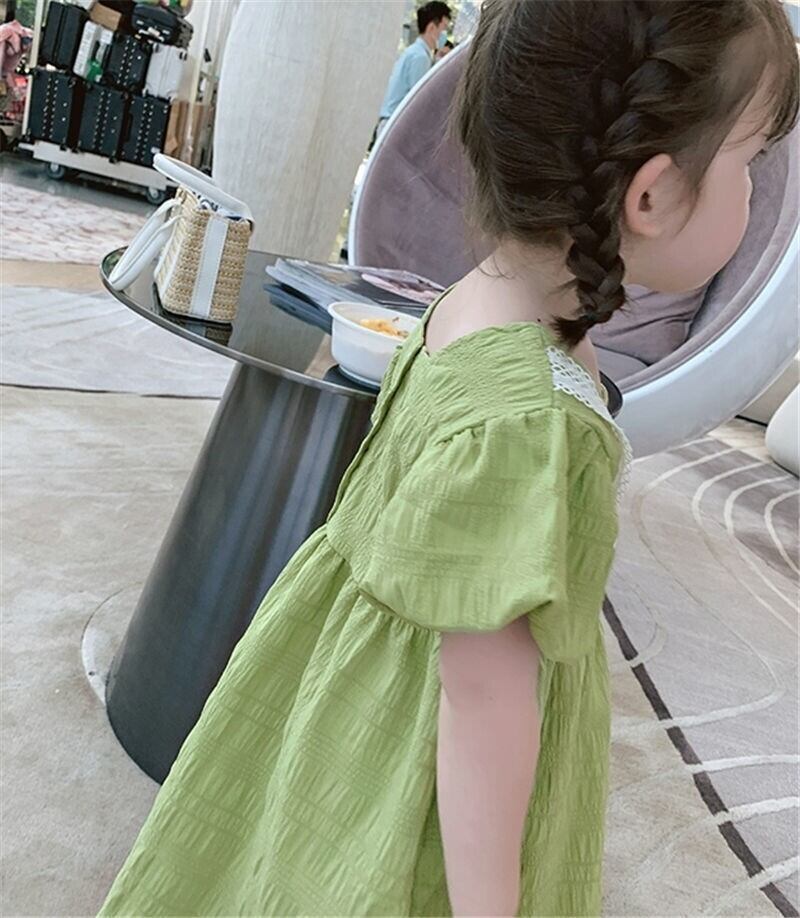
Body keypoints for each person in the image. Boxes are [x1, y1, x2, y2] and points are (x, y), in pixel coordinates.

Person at [97, 1, 797, 915]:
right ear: (653, 195)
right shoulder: (532, 425)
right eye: (749, 162)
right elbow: (484, 698)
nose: (754, 194)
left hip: (351, 683)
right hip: (418, 738)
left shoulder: (474, 304)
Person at [376, 1, 451, 136]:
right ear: (431, 28)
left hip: (391, 124)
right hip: (396, 127)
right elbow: (419, 102)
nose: (444, 35)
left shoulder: (415, 52)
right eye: (444, 27)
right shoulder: (420, 57)